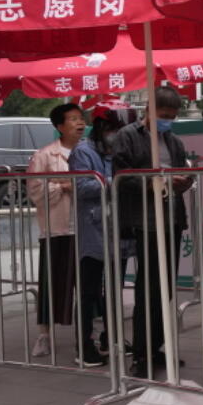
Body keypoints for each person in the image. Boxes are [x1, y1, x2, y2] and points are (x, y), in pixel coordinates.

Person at [114, 86, 194, 378]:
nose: (167, 121)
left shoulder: (173, 141)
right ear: (148, 111)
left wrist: (184, 181)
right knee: (148, 288)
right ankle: (141, 353)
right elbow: (120, 176)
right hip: (146, 220)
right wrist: (152, 184)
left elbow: (182, 173)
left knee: (166, 287)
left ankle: (157, 346)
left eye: (172, 116)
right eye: (163, 115)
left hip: (172, 218)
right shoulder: (128, 137)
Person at [69, 99, 136, 367]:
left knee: (115, 289)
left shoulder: (119, 151)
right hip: (94, 232)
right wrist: (115, 181)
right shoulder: (83, 152)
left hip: (119, 229)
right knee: (88, 291)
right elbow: (82, 187)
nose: (119, 134)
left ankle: (113, 337)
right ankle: (84, 345)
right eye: (115, 128)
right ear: (101, 126)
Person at [26, 103, 84, 358]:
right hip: (56, 228)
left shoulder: (87, 152)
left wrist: (67, 184)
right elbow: (36, 192)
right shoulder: (44, 156)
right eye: (73, 119)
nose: (79, 123)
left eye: (81, 118)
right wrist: (64, 186)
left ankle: (90, 333)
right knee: (51, 283)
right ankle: (44, 335)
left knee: (86, 283)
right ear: (59, 126)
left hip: (85, 228)